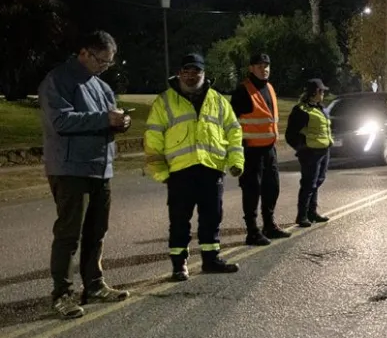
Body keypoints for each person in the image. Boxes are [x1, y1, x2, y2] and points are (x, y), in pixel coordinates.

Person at [39, 30, 131, 319]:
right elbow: (60, 120)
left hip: (100, 167)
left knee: (97, 230)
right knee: (69, 233)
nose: (104, 67)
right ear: (84, 53)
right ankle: (62, 294)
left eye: (109, 63)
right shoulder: (57, 80)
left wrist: (120, 122)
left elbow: (108, 117)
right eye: (101, 61)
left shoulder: (101, 86)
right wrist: (105, 118)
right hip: (69, 168)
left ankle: (94, 285)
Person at [144, 53, 244, 281]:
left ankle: (211, 260)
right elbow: (153, 137)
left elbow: (233, 130)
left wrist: (236, 162)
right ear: (179, 73)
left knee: (212, 217)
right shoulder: (165, 101)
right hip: (180, 171)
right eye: (186, 71)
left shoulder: (218, 100)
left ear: (203, 73)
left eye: (196, 71)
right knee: (179, 220)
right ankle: (179, 265)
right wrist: (161, 172)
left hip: (211, 168)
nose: (191, 76)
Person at [230, 52, 291, 246]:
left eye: (266, 66)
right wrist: (237, 148)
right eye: (259, 66)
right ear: (251, 68)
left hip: (269, 150)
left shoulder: (270, 88)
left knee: (272, 188)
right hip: (250, 151)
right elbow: (231, 123)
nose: (264, 69)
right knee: (251, 191)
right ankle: (252, 230)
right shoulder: (242, 91)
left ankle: (269, 225)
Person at [285, 78, 333, 227]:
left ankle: (312, 212)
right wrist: (302, 148)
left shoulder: (321, 108)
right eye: (321, 91)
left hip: (324, 150)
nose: (323, 93)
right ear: (314, 92)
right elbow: (290, 135)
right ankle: (302, 215)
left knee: (318, 181)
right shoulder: (301, 110)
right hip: (311, 153)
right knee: (308, 183)